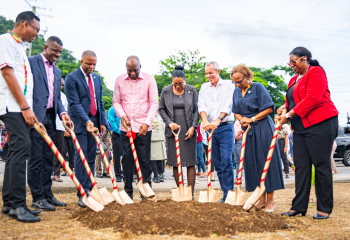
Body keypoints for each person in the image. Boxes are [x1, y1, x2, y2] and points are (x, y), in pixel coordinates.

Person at [278, 47, 339, 219]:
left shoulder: (316, 72)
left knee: (320, 165)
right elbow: (290, 101)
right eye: (289, 62)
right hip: (301, 128)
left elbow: (313, 98)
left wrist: (288, 115)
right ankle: (298, 206)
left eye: (294, 61)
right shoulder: (293, 80)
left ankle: (324, 208)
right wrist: (284, 108)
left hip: (321, 124)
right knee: (302, 167)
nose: (291, 65)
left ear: (304, 58)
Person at [0, 11, 41, 222]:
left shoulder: (20, 47)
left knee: (17, 151)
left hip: (21, 107)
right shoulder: (5, 41)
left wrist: (28, 108)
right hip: (12, 106)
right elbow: (7, 74)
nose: (37, 34)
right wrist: (25, 107)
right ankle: (17, 205)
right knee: (22, 149)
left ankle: (8, 203)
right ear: (25, 24)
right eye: (36, 29)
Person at [231, 64, 284, 212]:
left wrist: (252, 119)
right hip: (248, 130)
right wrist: (242, 120)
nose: (238, 84)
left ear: (247, 77)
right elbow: (235, 110)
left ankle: (270, 201)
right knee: (252, 163)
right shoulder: (236, 91)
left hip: (263, 128)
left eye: (240, 81)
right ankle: (260, 199)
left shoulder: (258, 87)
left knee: (266, 162)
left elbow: (269, 108)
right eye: (235, 82)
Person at [28, 36, 70, 210]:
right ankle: (37, 197)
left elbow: (57, 98)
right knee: (35, 159)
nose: (57, 54)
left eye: (60, 52)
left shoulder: (58, 71)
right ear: (45, 47)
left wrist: (63, 113)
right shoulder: (31, 62)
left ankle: (47, 194)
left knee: (48, 158)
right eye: (54, 51)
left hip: (51, 117)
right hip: (35, 117)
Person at [113, 56, 158, 199]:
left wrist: (147, 122)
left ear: (140, 67)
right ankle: (128, 192)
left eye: (135, 70)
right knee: (126, 159)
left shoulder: (150, 80)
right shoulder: (119, 80)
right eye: (129, 70)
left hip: (144, 128)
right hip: (126, 128)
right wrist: (122, 115)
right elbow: (116, 101)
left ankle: (146, 192)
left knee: (144, 160)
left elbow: (154, 103)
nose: (132, 74)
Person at [65, 50, 106, 208]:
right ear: (81, 61)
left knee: (90, 156)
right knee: (81, 157)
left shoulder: (96, 78)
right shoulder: (71, 78)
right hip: (80, 123)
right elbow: (74, 104)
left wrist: (102, 121)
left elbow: (99, 101)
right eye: (88, 63)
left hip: (95, 121)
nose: (91, 67)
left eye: (94, 64)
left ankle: (90, 190)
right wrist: (87, 121)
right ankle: (82, 193)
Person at [159, 65, 199, 198]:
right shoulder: (165, 91)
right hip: (173, 131)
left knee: (190, 162)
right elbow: (162, 109)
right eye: (175, 84)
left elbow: (197, 109)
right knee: (176, 162)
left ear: (185, 81)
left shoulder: (192, 90)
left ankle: (190, 194)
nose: (177, 86)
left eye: (180, 84)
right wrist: (169, 123)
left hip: (188, 131)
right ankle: (181, 191)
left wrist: (193, 127)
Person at [198, 61, 235, 202]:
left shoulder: (228, 86)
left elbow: (229, 104)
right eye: (207, 73)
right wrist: (205, 121)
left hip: (225, 127)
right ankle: (225, 194)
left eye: (211, 73)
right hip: (210, 130)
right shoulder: (204, 87)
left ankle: (229, 195)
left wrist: (218, 120)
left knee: (226, 160)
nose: (208, 76)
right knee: (218, 163)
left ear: (218, 72)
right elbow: (201, 105)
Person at [52, 79, 67, 182]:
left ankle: (56, 174)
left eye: (62, 85)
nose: (61, 87)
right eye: (59, 84)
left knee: (59, 151)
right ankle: (45, 173)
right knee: (47, 150)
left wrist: (67, 128)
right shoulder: (48, 93)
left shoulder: (64, 97)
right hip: (49, 126)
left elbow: (66, 113)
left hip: (60, 127)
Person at [108, 106, 123, 182]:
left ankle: (127, 174)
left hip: (126, 134)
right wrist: (121, 132)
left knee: (127, 155)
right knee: (117, 155)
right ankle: (118, 175)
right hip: (117, 134)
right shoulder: (112, 109)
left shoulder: (125, 107)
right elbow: (112, 123)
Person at [150, 113, 166, 183]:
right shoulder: (149, 114)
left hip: (160, 138)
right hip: (153, 138)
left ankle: (157, 175)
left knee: (159, 158)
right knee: (153, 159)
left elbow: (162, 127)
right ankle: (156, 176)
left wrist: (164, 140)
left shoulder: (159, 115)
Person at [233, 119, 243, 183]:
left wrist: (233, 135)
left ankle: (240, 177)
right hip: (234, 141)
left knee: (242, 160)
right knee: (237, 161)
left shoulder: (242, 120)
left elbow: (239, 130)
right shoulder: (236, 121)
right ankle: (237, 177)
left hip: (240, 140)